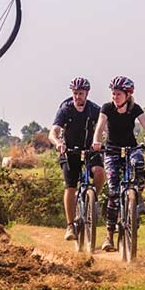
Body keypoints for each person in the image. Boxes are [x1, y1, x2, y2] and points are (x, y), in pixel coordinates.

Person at [91, 76, 145, 252]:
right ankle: (109, 235)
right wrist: (96, 141)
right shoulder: (107, 108)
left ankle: (138, 197)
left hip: (132, 148)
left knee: (139, 163)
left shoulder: (135, 108)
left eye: (118, 94)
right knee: (114, 192)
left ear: (127, 94)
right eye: (113, 93)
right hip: (112, 150)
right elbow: (100, 127)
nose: (114, 96)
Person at [48, 77, 105, 241]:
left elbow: (104, 127)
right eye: (75, 93)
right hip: (69, 151)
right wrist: (58, 143)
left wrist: (101, 141)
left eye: (80, 93)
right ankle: (70, 225)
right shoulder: (65, 109)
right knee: (70, 187)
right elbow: (53, 132)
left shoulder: (94, 109)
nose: (77, 96)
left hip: (89, 150)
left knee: (100, 172)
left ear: (87, 93)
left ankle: (93, 200)